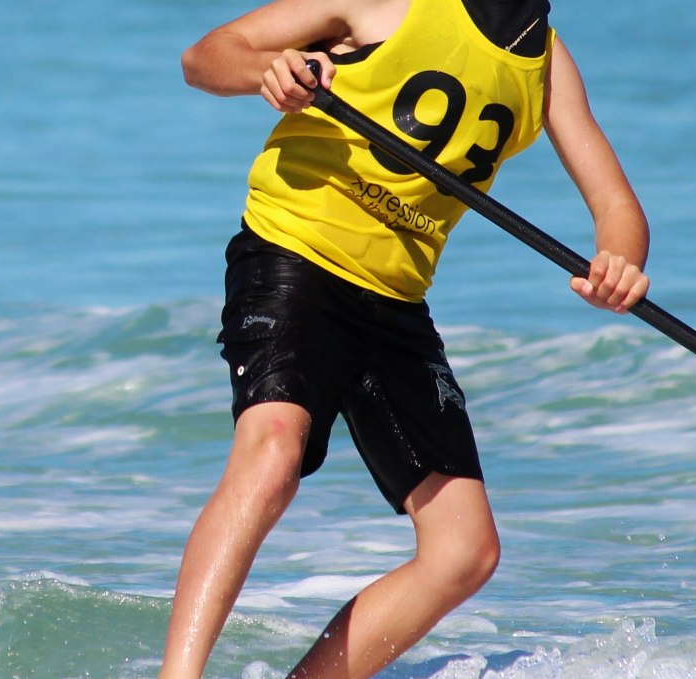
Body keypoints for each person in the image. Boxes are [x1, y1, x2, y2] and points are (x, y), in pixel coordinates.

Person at [165, 0, 650, 676]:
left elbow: (616, 205)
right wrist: (264, 71)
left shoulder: (545, 63)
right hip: (294, 253)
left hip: (395, 300)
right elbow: (204, 57)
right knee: (273, 453)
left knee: (465, 551)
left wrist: (620, 261)